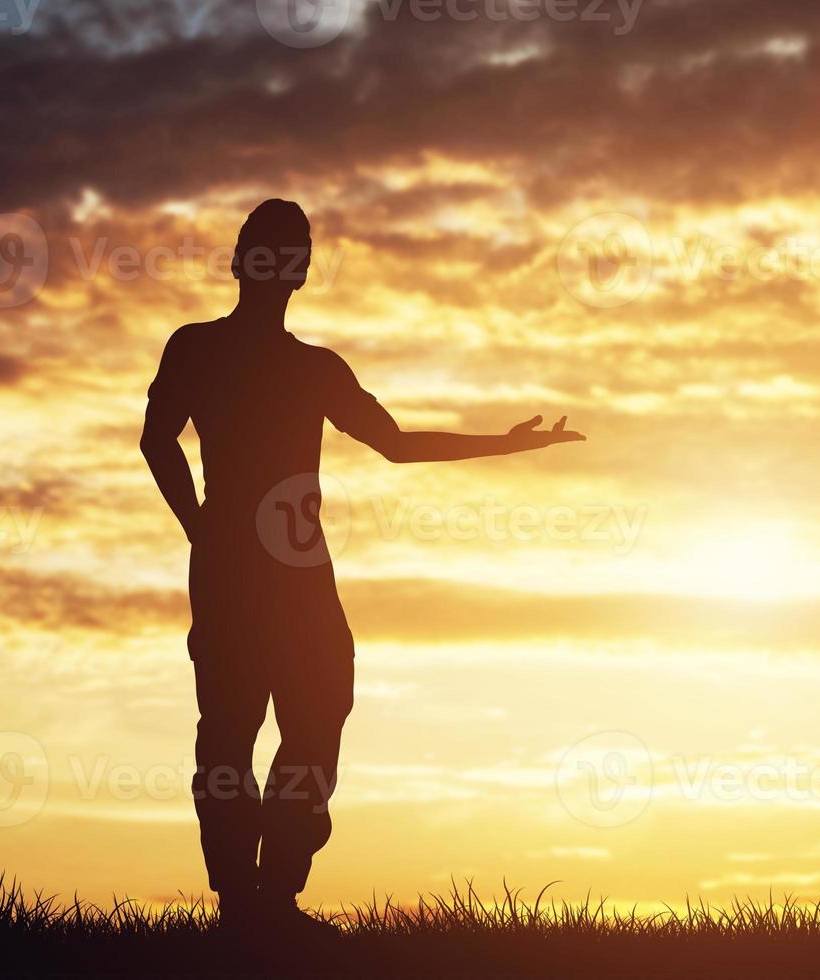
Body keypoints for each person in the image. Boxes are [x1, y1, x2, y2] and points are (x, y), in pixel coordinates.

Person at [140, 199, 583, 934]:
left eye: (292, 251)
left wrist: (507, 444)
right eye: (267, 248)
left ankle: (270, 898)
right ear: (241, 261)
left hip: (300, 577)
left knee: (313, 719)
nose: (280, 263)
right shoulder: (194, 348)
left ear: (304, 272)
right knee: (229, 730)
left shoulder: (314, 368)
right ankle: (244, 905)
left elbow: (398, 443)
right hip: (234, 573)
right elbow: (157, 441)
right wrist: (202, 530)